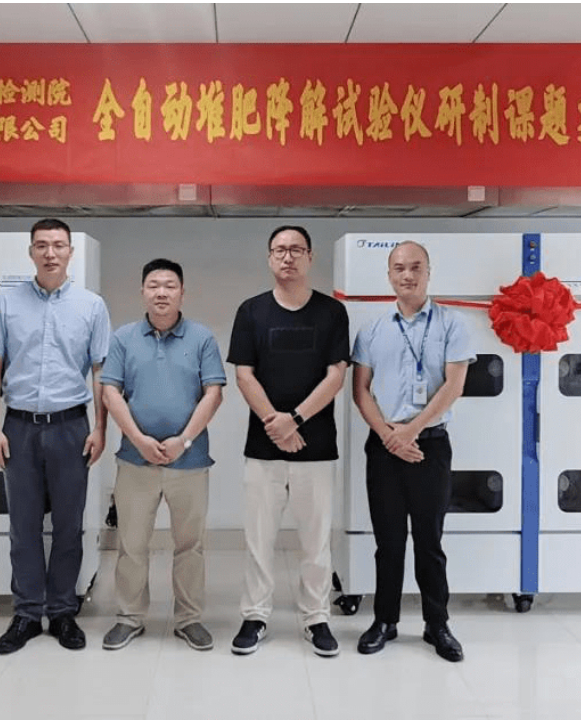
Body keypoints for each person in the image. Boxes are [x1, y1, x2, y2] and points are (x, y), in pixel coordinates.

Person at [0, 218, 110, 655]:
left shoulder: (92, 306)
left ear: (71, 251)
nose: (50, 253)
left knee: (69, 525)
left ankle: (64, 611)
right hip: (19, 428)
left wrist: (100, 427)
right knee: (23, 525)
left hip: (71, 427)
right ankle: (28, 613)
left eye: (58, 245)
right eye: (41, 245)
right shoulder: (6, 303)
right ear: (30, 252)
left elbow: (101, 371)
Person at [226, 225, 349, 657]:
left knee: (316, 540)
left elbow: (336, 375)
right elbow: (244, 374)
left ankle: (316, 617)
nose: (288, 257)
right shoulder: (251, 311)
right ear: (269, 257)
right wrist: (274, 423)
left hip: (317, 448)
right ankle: (255, 615)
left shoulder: (332, 312)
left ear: (310, 257)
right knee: (258, 539)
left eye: (297, 249)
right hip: (263, 449)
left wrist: (294, 420)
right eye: (279, 249)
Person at [350, 240, 474, 662]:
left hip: (430, 445)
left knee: (429, 540)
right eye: (399, 268)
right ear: (389, 275)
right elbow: (361, 391)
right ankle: (384, 620)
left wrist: (411, 432)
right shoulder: (371, 329)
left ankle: (437, 624)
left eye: (415, 267)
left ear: (428, 272)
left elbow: (454, 386)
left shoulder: (452, 324)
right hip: (383, 444)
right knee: (388, 541)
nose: (407, 275)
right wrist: (390, 436)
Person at [99, 258, 226, 652]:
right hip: (135, 461)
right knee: (132, 544)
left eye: (170, 285)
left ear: (182, 293)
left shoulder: (202, 338)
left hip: (190, 461)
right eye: (153, 285)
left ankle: (189, 619)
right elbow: (110, 392)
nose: (161, 292)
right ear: (142, 292)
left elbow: (214, 393)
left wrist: (183, 440)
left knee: (190, 545)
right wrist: (138, 439)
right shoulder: (123, 338)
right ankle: (129, 617)